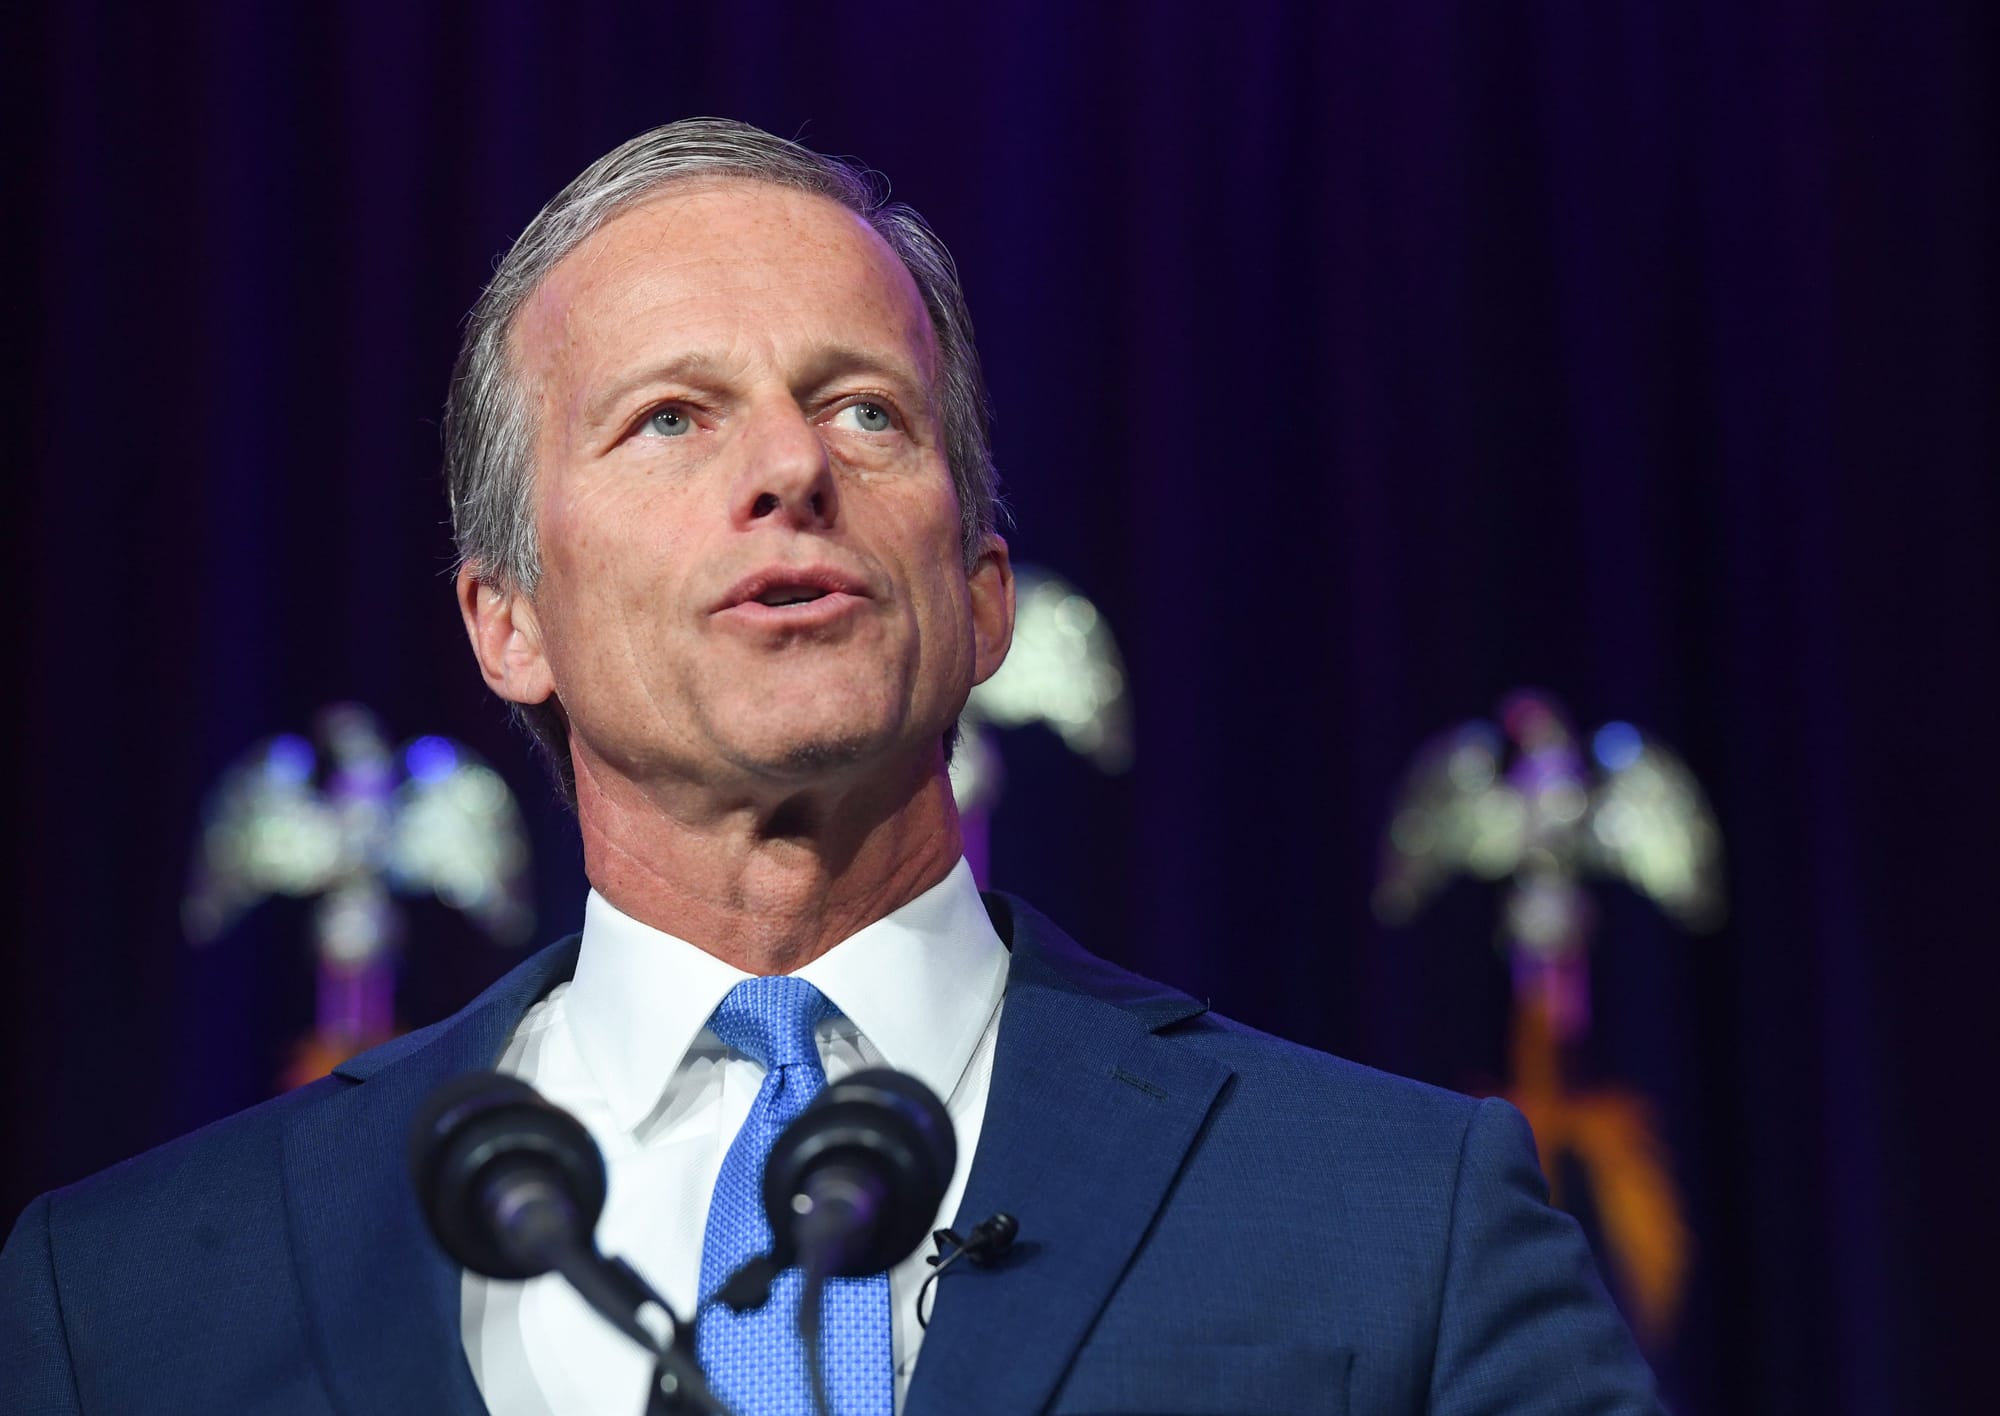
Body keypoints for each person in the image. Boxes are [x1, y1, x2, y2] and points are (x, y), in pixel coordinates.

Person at [0, 119, 1661, 1415]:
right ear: (508, 620)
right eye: (672, 417)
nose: (792, 465)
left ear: (984, 596)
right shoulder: (128, 1299)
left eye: (865, 411)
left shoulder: (1401, 1220)